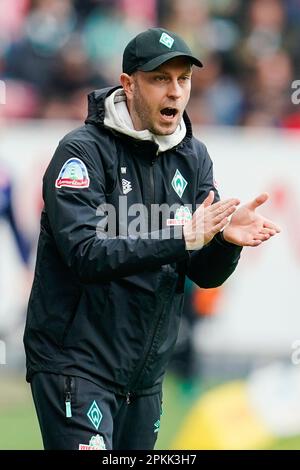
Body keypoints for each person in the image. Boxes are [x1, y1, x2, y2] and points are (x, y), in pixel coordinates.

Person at [23, 27, 280, 450]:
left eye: (184, 79)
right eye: (161, 79)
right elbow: (85, 254)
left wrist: (224, 243)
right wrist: (183, 237)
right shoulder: (82, 153)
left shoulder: (193, 157)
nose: (175, 92)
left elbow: (203, 273)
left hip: (144, 379)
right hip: (74, 365)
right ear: (128, 84)